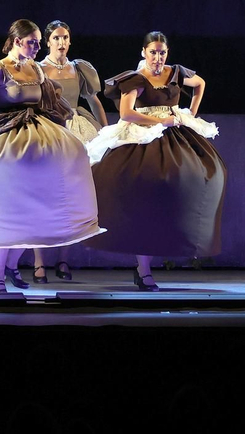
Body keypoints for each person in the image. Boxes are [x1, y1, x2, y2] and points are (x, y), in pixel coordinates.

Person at [0, 19, 103, 292]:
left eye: (39, 42)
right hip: (7, 137)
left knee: (32, 213)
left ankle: (13, 266)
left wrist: (64, 141)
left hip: (38, 134)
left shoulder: (37, 69)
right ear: (16, 41)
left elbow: (54, 106)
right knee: (8, 211)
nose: (38, 47)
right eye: (33, 42)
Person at [83, 31, 225, 291]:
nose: (158, 58)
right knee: (143, 185)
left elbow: (200, 83)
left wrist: (190, 113)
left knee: (205, 174)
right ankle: (143, 267)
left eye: (162, 53)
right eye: (153, 53)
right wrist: (161, 121)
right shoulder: (137, 78)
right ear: (144, 53)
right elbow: (126, 112)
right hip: (145, 131)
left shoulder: (175, 73)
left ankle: (180, 239)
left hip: (175, 130)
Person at [30, 19, 107, 283]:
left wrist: (107, 132)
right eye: (56, 38)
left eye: (65, 38)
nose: (61, 43)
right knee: (43, 196)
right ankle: (39, 263)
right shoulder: (38, 68)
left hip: (78, 128)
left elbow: (93, 100)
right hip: (51, 128)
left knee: (69, 197)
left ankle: (63, 260)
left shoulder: (80, 69)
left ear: (70, 40)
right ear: (48, 42)